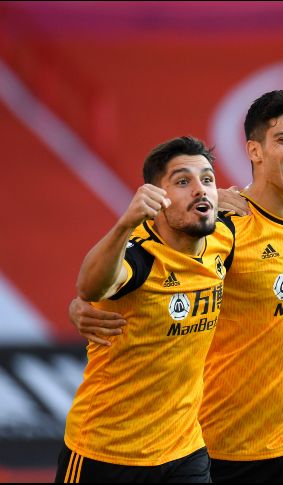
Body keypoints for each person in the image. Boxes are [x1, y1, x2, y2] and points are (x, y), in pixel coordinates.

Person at [70, 91, 283, 483]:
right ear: (255, 151)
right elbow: (150, 256)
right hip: (227, 441)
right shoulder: (223, 230)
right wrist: (84, 302)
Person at [56, 136, 234, 483]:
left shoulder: (224, 239)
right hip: (106, 451)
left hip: (183, 450)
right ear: (157, 198)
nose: (200, 189)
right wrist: (124, 223)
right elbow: (91, 286)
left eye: (207, 179)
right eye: (183, 181)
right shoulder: (140, 254)